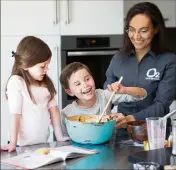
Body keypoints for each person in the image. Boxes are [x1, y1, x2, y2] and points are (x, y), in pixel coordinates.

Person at [104, 2, 176, 127]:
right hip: (120, 132)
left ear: (156, 29)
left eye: (143, 31)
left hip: (154, 131)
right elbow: (106, 98)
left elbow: (161, 105)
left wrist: (130, 119)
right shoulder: (118, 58)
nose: (136, 36)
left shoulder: (169, 60)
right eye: (132, 30)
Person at [1, 36, 69, 152]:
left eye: (47, 66)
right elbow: (15, 115)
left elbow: (54, 111)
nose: (46, 70)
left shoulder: (46, 83)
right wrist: (12, 143)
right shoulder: (16, 82)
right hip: (20, 146)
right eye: (42, 66)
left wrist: (60, 137)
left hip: (42, 144)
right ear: (25, 65)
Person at [59, 62, 147, 136]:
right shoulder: (66, 114)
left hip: (109, 148)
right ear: (70, 92)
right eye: (78, 84)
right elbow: (64, 140)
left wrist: (125, 89)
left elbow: (142, 94)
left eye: (87, 79)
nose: (85, 85)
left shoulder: (105, 95)